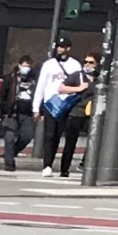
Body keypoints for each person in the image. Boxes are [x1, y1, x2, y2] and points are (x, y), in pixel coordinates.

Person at [33, 38, 84, 168]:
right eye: (58, 46)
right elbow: (41, 85)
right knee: (50, 134)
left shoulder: (75, 65)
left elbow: (79, 84)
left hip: (67, 103)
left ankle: (62, 166)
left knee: (60, 134)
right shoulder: (49, 64)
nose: (60, 49)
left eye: (63, 46)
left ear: (68, 48)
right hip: (51, 103)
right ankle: (47, 165)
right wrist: (36, 107)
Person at [47, 50, 97, 177]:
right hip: (76, 112)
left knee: (96, 139)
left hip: (92, 114)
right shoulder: (77, 76)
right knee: (70, 142)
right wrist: (79, 88)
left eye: (91, 63)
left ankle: (85, 163)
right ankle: (64, 169)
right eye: (86, 62)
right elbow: (61, 88)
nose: (87, 65)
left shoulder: (100, 78)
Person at [0, 56, 38, 169]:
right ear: (19, 66)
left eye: (28, 67)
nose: (26, 69)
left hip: (27, 113)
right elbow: (2, 95)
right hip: (12, 111)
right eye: (24, 66)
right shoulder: (10, 78)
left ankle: (10, 153)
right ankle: (9, 163)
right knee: (9, 136)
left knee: (27, 136)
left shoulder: (34, 79)